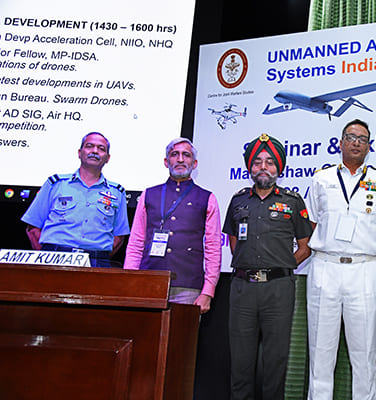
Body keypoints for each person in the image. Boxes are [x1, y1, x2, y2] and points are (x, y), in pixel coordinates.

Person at [306, 119, 376, 400]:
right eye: (351, 137)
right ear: (341, 142)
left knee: (364, 353)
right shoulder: (321, 178)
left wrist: (367, 254)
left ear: (369, 146)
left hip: (365, 270)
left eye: (362, 138)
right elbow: (312, 223)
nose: (357, 142)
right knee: (321, 352)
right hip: (325, 267)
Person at [223, 133, 312, 400]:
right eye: (258, 162)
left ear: (279, 168)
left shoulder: (293, 202)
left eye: (270, 162)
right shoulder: (238, 201)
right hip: (242, 289)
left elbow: (305, 246)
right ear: (250, 168)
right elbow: (233, 241)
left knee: (276, 359)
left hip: (278, 290)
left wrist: (280, 267)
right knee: (240, 361)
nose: (264, 167)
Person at [124, 138, 221, 311]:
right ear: (166, 161)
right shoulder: (148, 194)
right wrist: (129, 280)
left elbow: (213, 247)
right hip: (149, 282)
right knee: (146, 336)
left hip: (188, 286)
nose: (181, 159)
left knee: (182, 337)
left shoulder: (207, 198)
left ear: (195, 163)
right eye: (174, 154)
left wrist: (208, 292)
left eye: (186, 155)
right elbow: (136, 242)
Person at [22, 132, 129, 268]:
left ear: (107, 158)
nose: (95, 151)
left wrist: (95, 257)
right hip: (54, 256)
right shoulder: (55, 184)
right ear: (79, 152)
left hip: (96, 260)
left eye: (101, 149)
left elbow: (119, 237)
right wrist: (46, 256)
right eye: (89, 146)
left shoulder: (117, 192)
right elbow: (33, 227)